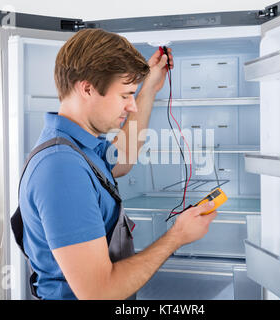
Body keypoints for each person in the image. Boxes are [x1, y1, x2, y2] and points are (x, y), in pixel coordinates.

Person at [16, 28, 217, 300]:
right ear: (86, 88)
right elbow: (99, 292)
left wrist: (149, 90)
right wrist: (177, 236)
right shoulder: (61, 169)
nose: (131, 106)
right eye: (125, 96)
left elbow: (121, 160)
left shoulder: (76, 145)